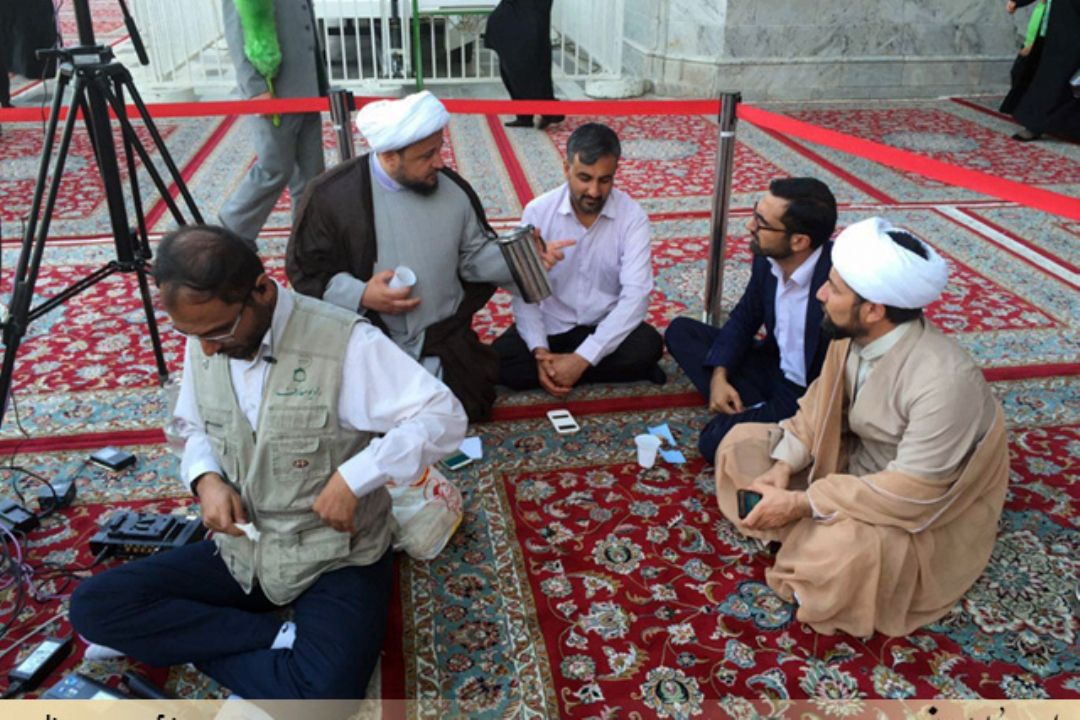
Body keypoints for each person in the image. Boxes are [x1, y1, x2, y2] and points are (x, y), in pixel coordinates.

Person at [70, 225, 466, 698]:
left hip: (334, 552)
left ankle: (188, 641)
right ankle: (273, 638)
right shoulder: (207, 334)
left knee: (323, 697)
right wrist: (206, 479)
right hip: (246, 547)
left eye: (217, 331)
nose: (207, 348)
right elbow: (193, 426)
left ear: (261, 290)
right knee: (94, 606)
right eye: (192, 334)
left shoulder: (343, 343)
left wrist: (355, 477)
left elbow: (443, 416)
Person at [714, 217, 1009, 638]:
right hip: (851, 462)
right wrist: (783, 466)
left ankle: (805, 533)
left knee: (842, 555)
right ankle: (799, 523)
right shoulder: (849, 335)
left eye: (833, 288)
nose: (820, 293)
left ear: (873, 310)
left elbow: (914, 491)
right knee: (738, 443)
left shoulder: (945, 382)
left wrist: (802, 503)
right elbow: (816, 409)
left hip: (904, 503)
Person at [287, 91, 546, 422]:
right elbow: (307, 272)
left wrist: (524, 256)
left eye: (439, 149)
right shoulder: (331, 196)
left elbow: (474, 256)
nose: (440, 162)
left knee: (465, 408)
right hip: (369, 345)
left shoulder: (453, 190)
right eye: (427, 155)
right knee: (362, 423)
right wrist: (362, 294)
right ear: (390, 156)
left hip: (444, 343)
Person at [665, 178, 836, 462]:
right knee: (681, 332)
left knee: (714, 441)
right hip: (773, 365)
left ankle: (772, 421)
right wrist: (719, 375)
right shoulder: (768, 259)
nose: (749, 226)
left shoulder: (835, 283)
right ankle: (754, 409)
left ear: (799, 241)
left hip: (807, 393)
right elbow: (745, 317)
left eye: (761, 223)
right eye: (755, 214)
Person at [493, 122, 664, 395]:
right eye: (584, 178)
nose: (594, 191)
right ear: (566, 168)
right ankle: (573, 368)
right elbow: (525, 294)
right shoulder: (538, 212)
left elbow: (636, 295)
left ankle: (566, 370)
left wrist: (583, 358)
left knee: (648, 345)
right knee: (498, 360)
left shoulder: (632, 217)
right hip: (552, 328)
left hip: (602, 327)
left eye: (604, 180)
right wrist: (540, 351)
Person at [218, 0, 328, 250]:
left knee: (311, 173)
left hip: (306, 86)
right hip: (273, 89)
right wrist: (255, 89)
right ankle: (233, 228)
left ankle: (308, 238)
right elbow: (237, 32)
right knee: (275, 166)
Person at [1002, 0, 1080, 141]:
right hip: (1057, 28)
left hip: (1070, 29)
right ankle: (1036, 124)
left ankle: (1037, 126)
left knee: (1061, 80)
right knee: (1048, 78)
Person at [484, 0, 564, 129]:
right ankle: (526, 114)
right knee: (515, 68)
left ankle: (547, 110)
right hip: (519, 16)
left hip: (527, 18)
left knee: (526, 66)